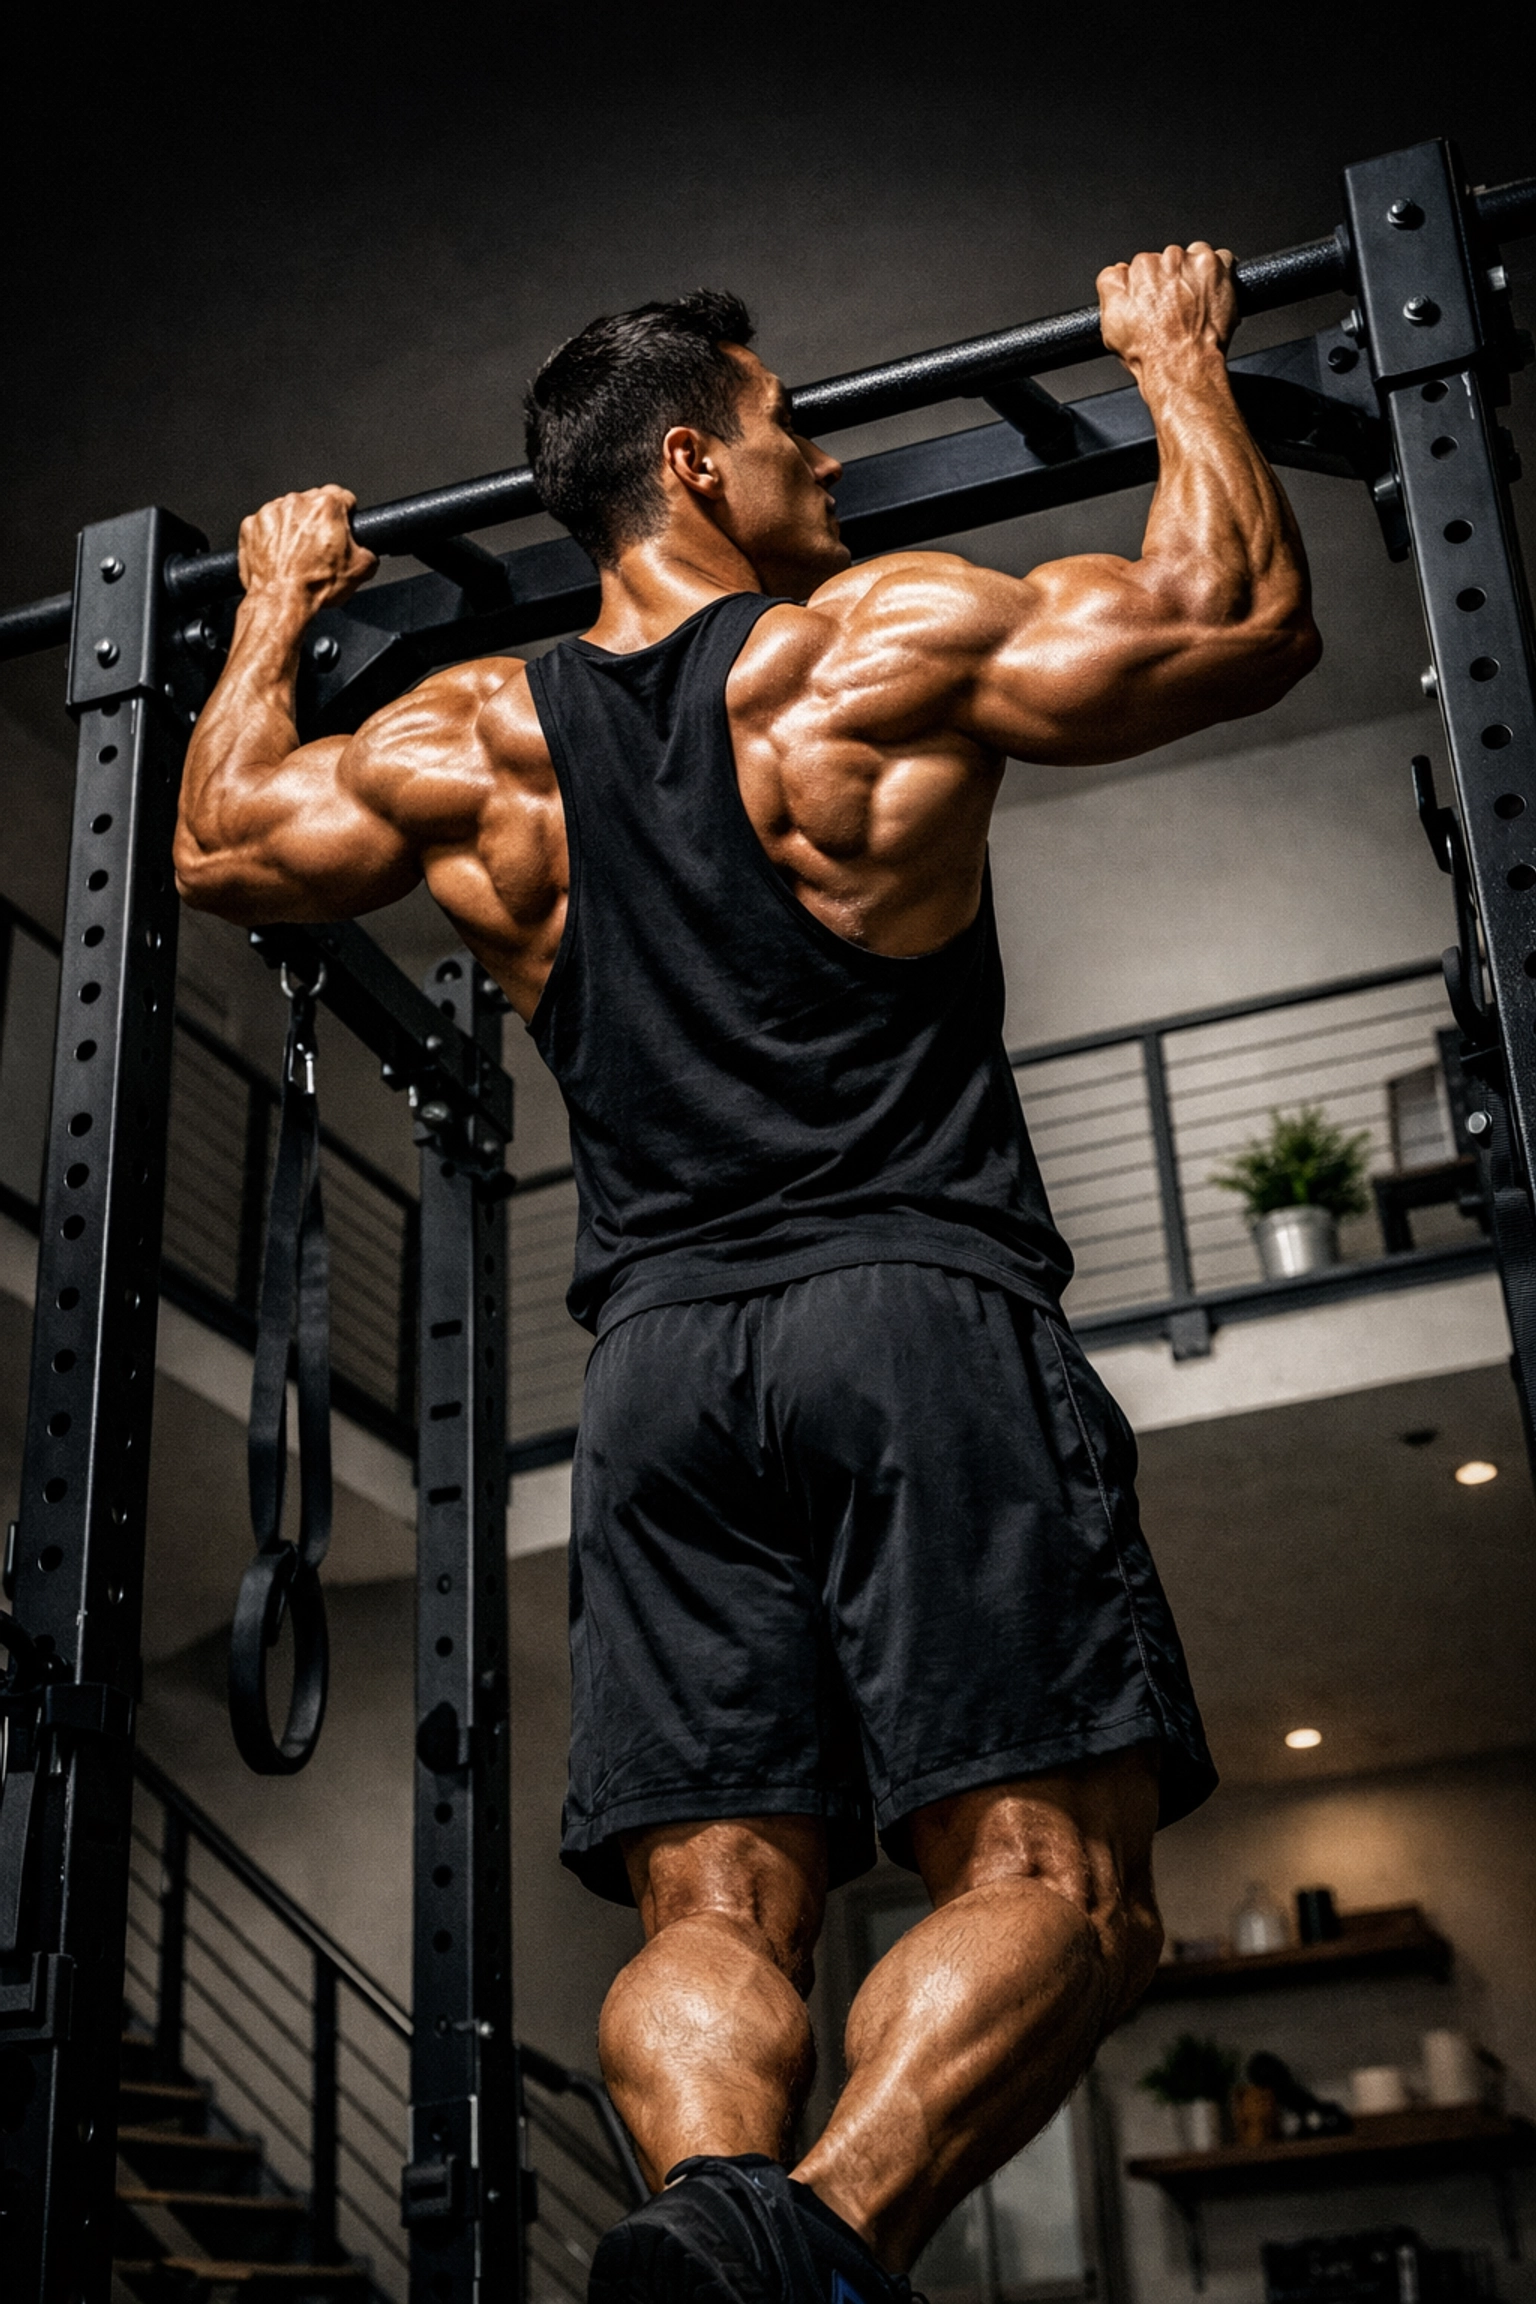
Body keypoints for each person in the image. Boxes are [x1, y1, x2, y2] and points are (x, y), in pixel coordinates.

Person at [175, 243, 1319, 2304]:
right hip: (913, 1305)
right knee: (1061, 1884)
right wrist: (1175, 364)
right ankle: (814, 2242)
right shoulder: (857, 651)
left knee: (714, 1914)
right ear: (694, 461)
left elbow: (227, 842)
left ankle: (702, 2227)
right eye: (797, 432)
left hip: (657, 1375)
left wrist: (272, 601)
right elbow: (1231, 612)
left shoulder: (479, 736)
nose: (830, 469)